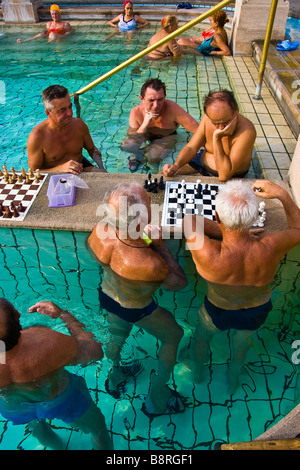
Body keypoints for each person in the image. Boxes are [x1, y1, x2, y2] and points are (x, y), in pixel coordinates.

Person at [181, 179, 300, 392]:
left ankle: (197, 371)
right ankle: (233, 376)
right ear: (254, 219)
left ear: (217, 217)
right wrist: (282, 194)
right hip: (256, 311)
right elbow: (298, 228)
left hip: (217, 309)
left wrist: (222, 231)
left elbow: (189, 221)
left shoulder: (205, 251)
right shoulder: (271, 246)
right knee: (242, 343)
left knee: (202, 338)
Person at [87, 182, 187, 416]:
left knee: (117, 334)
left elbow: (108, 253)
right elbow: (178, 283)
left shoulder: (100, 232)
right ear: (142, 220)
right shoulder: (148, 263)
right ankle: (157, 393)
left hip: (108, 295)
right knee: (175, 335)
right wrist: (159, 245)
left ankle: (115, 374)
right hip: (137, 308)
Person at [0, 299, 113, 450]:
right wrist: (63, 315)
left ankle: (59, 447)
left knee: (37, 427)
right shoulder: (47, 341)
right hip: (61, 399)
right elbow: (94, 353)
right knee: (98, 427)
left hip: (14, 407)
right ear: (17, 314)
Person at [163, 89, 256, 182]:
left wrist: (217, 138)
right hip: (200, 162)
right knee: (163, 177)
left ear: (235, 110)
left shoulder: (247, 131)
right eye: (215, 123)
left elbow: (224, 176)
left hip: (228, 176)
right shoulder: (208, 118)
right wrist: (176, 165)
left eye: (225, 122)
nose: (220, 128)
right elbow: (192, 147)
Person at [27, 85, 106, 174]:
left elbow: (92, 150)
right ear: (48, 113)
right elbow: (33, 172)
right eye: (62, 110)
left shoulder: (79, 125)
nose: (70, 113)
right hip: (52, 176)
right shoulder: (37, 136)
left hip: (80, 169)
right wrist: (60, 169)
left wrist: (102, 167)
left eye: (70, 107)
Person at [122, 78, 198, 170]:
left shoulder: (172, 109)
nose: (156, 105)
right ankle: (138, 155)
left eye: (160, 99)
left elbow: (198, 130)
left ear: (164, 97)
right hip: (144, 136)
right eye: (151, 100)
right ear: (142, 99)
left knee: (153, 157)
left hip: (165, 137)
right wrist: (145, 123)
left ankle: (139, 158)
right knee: (127, 146)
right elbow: (132, 136)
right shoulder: (136, 112)